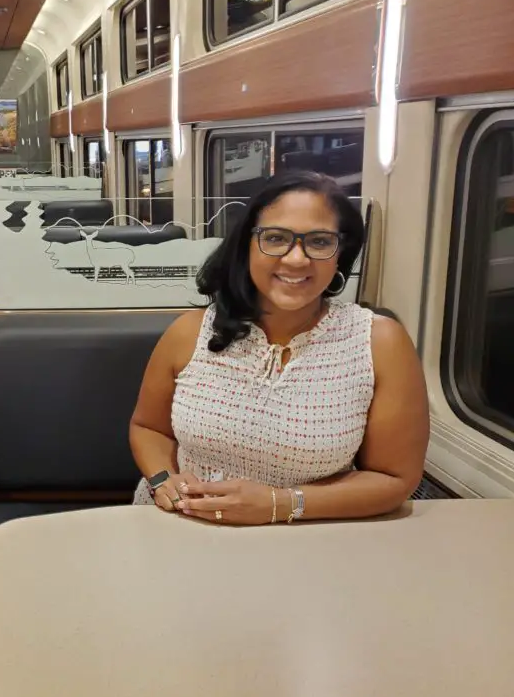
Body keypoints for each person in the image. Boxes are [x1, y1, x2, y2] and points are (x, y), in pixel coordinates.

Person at [129, 170, 429, 525]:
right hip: (178, 523)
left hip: (309, 537)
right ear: (247, 245)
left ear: (340, 253)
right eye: (276, 238)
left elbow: (394, 479)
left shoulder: (379, 343)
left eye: (318, 242)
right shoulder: (188, 332)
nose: (296, 259)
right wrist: (163, 479)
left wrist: (280, 504)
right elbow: (149, 428)